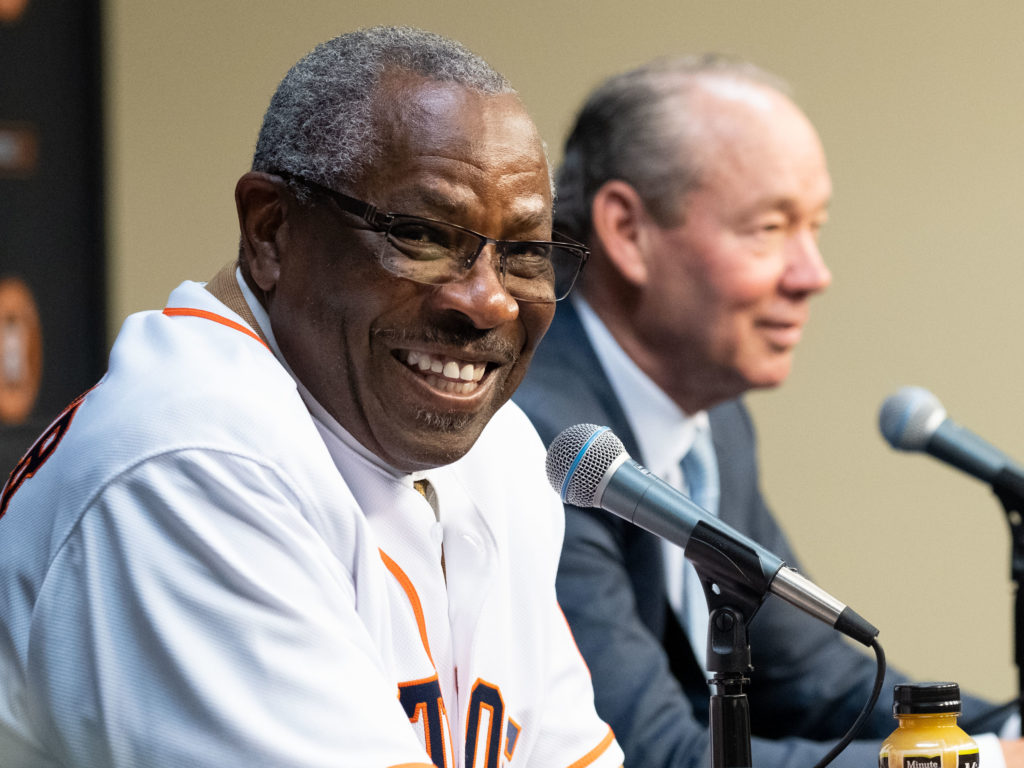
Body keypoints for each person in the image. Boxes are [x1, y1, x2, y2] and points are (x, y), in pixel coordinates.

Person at [0, 27, 624, 768]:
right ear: (270, 231)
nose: (487, 302)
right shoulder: (189, 460)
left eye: (523, 253)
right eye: (421, 235)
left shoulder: (503, 454)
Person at [515, 55, 1020, 768]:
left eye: (815, 227)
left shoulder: (714, 424)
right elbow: (651, 753)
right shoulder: (540, 437)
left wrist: (998, 732)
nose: (813, 275)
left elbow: (818, 683)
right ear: (628, 231)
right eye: (769, 228)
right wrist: (991, 765)